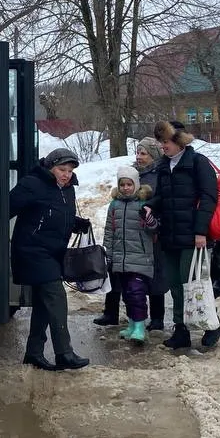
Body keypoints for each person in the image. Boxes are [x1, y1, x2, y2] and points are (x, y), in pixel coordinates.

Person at [10, 148, 92, 371]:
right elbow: (5, 208)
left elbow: (52, 213)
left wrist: (75, 223)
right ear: (49, 167)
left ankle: (34, 352)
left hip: (53, 252)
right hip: (32, 250)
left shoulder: (67, 190)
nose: (66, 174)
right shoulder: (33, 184)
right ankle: (64, 352)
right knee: (56, 296)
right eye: (61, 169)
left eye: (70, 170)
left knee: (43, 304)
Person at [144, 120, 220, 350]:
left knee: (194, 285)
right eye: (160, 142)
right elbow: (165, 196)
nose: (162, 146)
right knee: (176, 285)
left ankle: (213, 325)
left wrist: (201, 231)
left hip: (192, 236)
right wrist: (150, 205)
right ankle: (181, 330)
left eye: (165, 142)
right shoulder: (163, 166)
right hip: (169, 235)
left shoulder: (198, 163)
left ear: (178, 140)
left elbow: (209, 198)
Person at [94, 137, 168, 331]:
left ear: (154, 156)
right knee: (119, 274)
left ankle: (157, 317)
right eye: (138, 152)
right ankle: (112, 313)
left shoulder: (160, 175)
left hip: (149, 234)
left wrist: (154, 222)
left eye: (143, 153)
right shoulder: (133, 173)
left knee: (152, 276)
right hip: (125, 235)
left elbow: (162, 203)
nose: (139, 156)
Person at [103, 165, 159, 343]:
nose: (126, 188)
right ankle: (132, 324)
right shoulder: (114, 205)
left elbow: (154, 230)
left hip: (140, 257)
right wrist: (108, 253)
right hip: (121, 258)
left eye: (129, 184)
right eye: (122, 185)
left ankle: (140, 326)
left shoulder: (143, 205)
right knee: (127, 294)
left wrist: (150, 221)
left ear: (136, 184)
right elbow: (109, 231)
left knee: (137, 293)